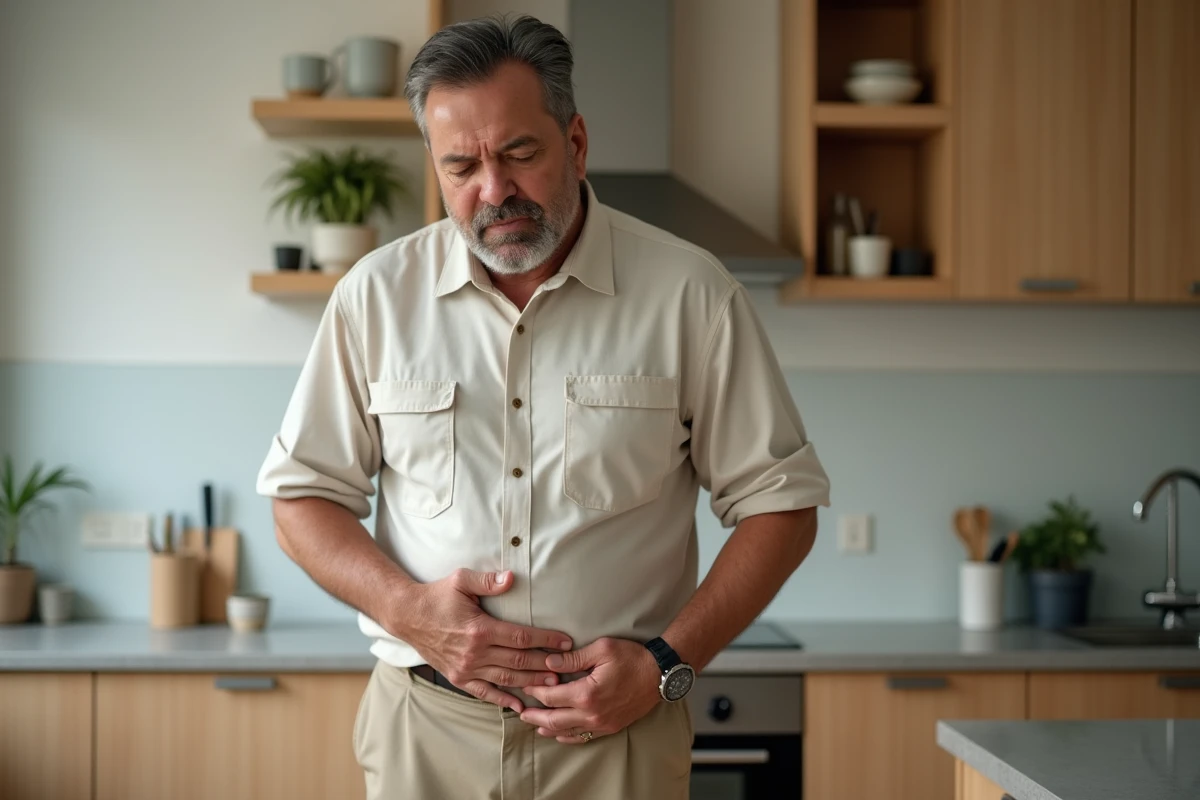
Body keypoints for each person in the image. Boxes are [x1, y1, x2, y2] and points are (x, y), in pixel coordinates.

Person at [256, 14, 830, 800]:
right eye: (462, 166)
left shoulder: (692, 295)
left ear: (577, 142)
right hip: (425, 732)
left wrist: (665, 664)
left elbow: (783, 506)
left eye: (520, 153)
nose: (494, 191)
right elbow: (301, 499)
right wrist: (409, 612)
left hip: (619, 738)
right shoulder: (375, 298)